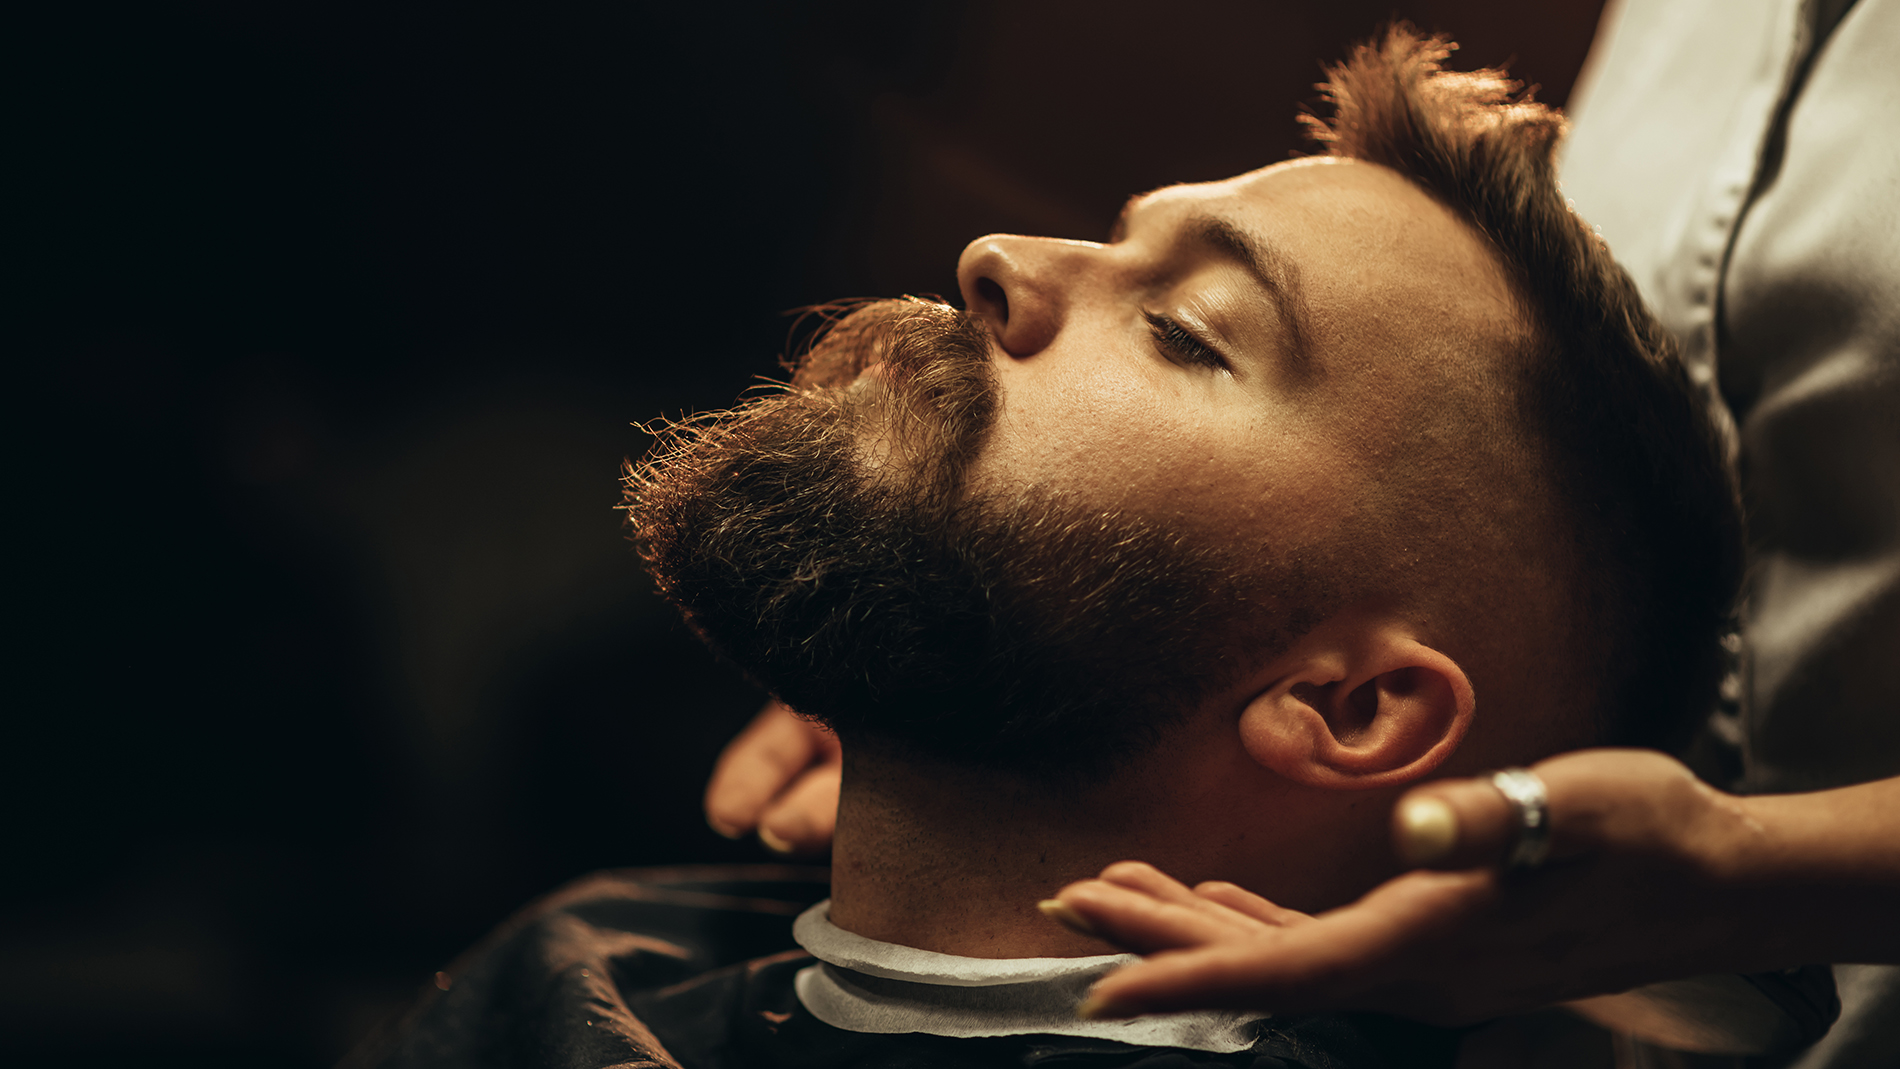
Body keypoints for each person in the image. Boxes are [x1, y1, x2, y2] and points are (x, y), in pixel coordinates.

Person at [354, 27, 1745, 1069]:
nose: (995, 254)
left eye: (1186, 331)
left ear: (1346, 702)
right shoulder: (583, 972)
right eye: (1109, 240)